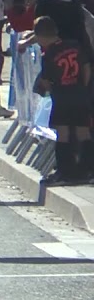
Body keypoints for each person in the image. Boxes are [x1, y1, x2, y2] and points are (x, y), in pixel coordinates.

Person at [31, 16, 91, 185]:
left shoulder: (49, 53)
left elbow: (46, 81)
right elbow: (86, 69)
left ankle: (65, 171)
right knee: (83, 132)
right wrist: (82, 87)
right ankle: (86, 170)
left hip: (62, 97)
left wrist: (52, 90)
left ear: (42, 37)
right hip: (79, 94)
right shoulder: (74, 45)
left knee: (62, 133)